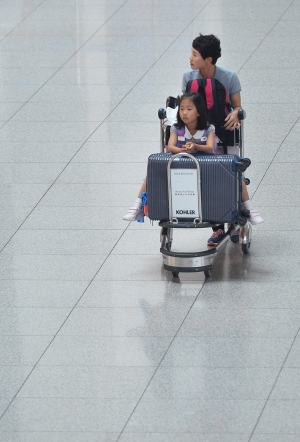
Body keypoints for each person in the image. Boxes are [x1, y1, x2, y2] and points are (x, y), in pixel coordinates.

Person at [182, 33, 263, 245]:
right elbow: (186, 108)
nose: (190, 58)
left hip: (225, 132)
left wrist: (236, 113)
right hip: (200, 135)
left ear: (208, 59)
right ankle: (217, 228)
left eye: (194, 54)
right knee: (205, 178)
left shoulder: (229, 77)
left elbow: (237, 106)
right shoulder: (188, 78)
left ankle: (240, 213)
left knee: (231, 173)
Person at [122, 92, 215, 221]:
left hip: (204, 164)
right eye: (181, 109)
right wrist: (182, 150)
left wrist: (195, 146)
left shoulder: (209, 128)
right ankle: (137, 206)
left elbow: (210, 147)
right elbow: (170, 147)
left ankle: (248, 207)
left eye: (189, 109)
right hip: (179, 161)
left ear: (199, 112)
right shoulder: (176, 128)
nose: (184, 113)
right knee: (151, 174)